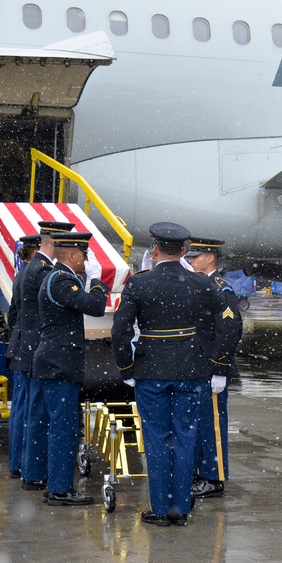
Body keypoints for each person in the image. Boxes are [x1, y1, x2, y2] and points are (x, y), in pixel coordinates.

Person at [112, 222, 232, 527]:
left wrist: (126, 367)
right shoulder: (202, 284)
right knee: (185, 437)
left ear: (154, 250)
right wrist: (216, 360)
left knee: (156, 439)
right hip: (191, 370)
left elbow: (121, 330)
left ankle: (161, 509)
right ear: (183, 251)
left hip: (151, 369)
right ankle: (181, 508)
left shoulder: (139, 283)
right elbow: (228, 322)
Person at [29, 232, 110, 506]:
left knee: (54, 426)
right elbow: (96, 306)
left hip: (53, 361)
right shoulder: (62, 279)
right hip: (59, 364)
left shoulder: (57, 277)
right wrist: (98, 281)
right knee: (63, 429)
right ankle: (60, 490)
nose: (87, 262)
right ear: (73, 256)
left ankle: (52, 484)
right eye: (84, 257)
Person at [13, 221, 74, 490]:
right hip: (38, 349)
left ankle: (25, 468)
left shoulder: (30, 269)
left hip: (28, 347)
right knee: (37, 416)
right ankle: (34, 470)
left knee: (28, 414)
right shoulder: (43, 272)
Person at [186, 237, 243, 499]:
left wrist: (220, 367)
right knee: (198, 424)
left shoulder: (221, 288)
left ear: (210, 258)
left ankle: (214, 477)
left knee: (213, 426)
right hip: (197, 366)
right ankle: (201, 472)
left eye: (195, 257)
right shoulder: (199, 285)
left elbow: (229, 329)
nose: (191, 261)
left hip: (211, 367)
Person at [5, 233, 42, 478]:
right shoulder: (36, 276)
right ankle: (27, 463)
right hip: (31, 347)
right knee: (30, 408)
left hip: (20, 346)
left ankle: (16, 462)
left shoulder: (21, 276)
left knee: (20, 407)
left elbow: (12, 315)